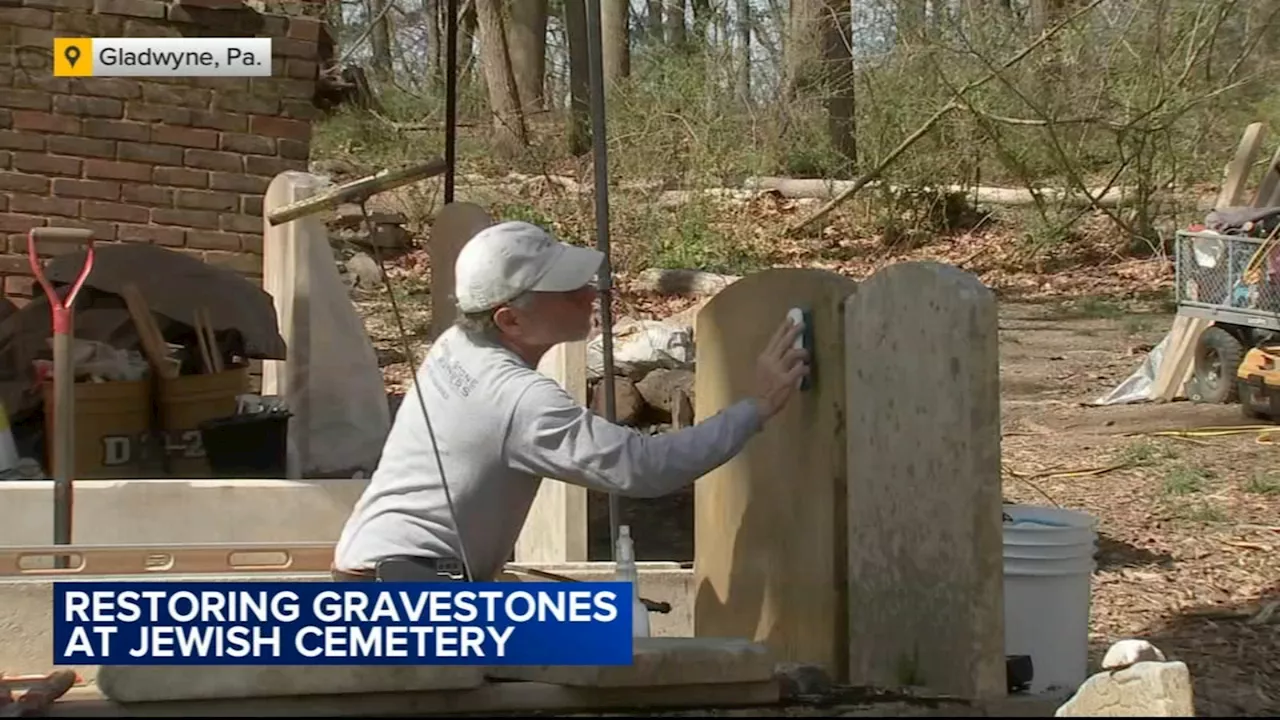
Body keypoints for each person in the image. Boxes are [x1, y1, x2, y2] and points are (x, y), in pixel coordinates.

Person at [331, 220, 810, 583]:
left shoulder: (456, 344)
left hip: (375, 574)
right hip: (402, 600)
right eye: (566, 290)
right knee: (609, 642)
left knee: (599, 634)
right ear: (510, 319)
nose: (588, 294)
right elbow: (643, 467)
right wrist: (757, 405)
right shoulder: (517, 399)